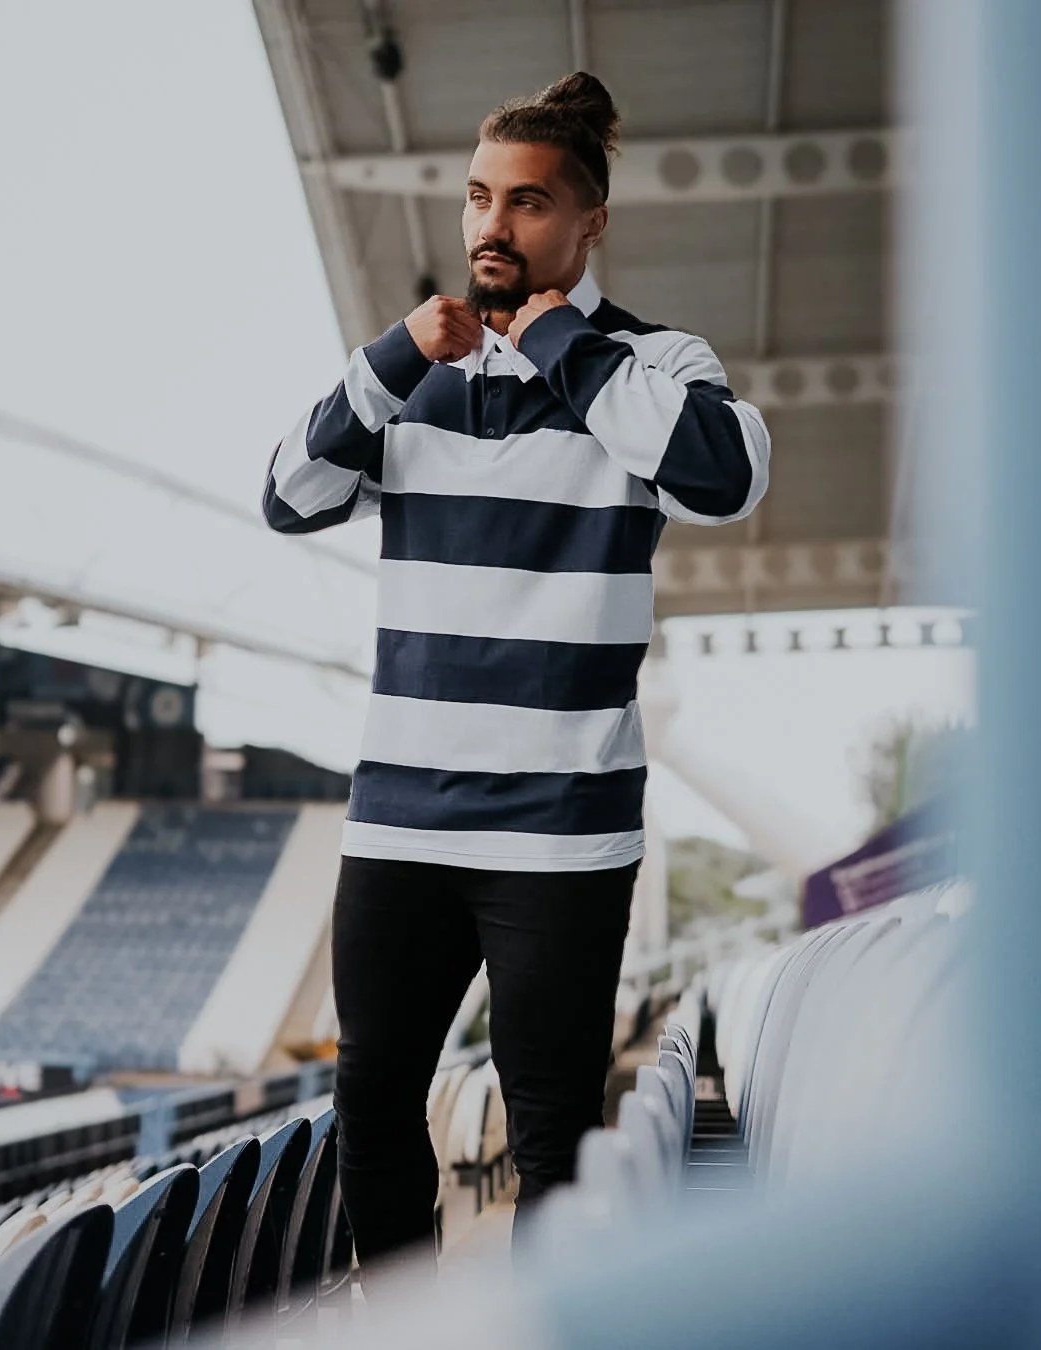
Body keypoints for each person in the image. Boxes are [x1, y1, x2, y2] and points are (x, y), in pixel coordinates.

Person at [262, 71, 770, 1279]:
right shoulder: (405, 374)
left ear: (588, 222)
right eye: (479, 199)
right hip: (400, 821)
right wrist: (389, 357)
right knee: (374, 1110)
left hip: (560, 833)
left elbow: (724, 478)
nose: (492, 227)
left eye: (528, 203)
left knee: (555, 1143)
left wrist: (559, 345)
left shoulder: (655, 361)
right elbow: (289, 497)